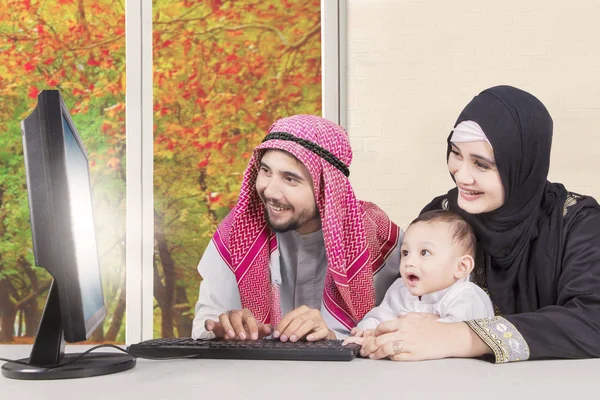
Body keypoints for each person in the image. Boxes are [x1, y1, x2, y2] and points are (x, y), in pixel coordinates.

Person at [359, 85, 600, 363]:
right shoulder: (443, 216)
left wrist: (460, 336)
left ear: (521, 167)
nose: (462, 176)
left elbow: (593, 318)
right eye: (456, 154)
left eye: (482, 165)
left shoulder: (577, 223)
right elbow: (405, 302)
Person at [191, 114, 402, 342]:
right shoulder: (239, 229)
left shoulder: (376, 235)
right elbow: (204, 322)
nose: (270, 191)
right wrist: (221, 329)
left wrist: (332, 337)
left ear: (326, 188)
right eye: (265, 171)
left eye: (290, 179)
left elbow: (408, 327)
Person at [343, 210, 494, 347]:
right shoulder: (401, 289)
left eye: (424, 253)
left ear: (461, 267)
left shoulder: (467, 297)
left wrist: (404, 330)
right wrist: (366, 331)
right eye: (406, 252)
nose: (409, 262)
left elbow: (453, 334)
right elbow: (380, 317)